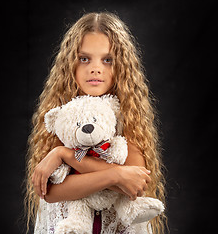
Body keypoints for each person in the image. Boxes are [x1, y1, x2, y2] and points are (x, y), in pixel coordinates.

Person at [25, 12, 166, 233]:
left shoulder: (127, 117)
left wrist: (64, 155)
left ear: (121, 66)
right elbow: (50, 192)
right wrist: (116, 174)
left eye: (107, 60)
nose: (95, 68)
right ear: (70, 64)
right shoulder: (64, 118)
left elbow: (134, 181)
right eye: (84, 58)